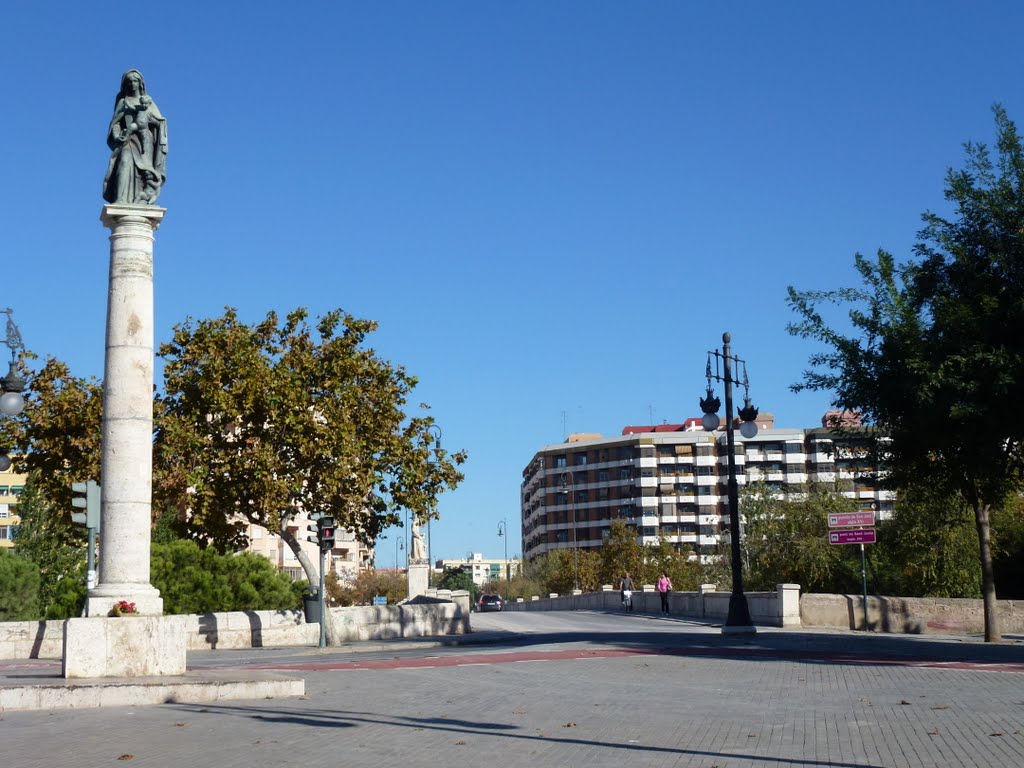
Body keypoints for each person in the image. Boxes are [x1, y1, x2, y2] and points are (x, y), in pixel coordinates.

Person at [103, 69, 168, 205]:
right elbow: (116, 123)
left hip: (145, 144)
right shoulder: (123, 103)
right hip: (127, 140)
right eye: (129, 81)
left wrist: (148, 119)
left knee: (144, 172)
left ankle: (141, 196)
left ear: (140, 83)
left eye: (135, 81)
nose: (132, 84)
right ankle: (121, 199)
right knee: (124, 162)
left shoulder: (149, 103)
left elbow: (159, 123)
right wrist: (116, 136)